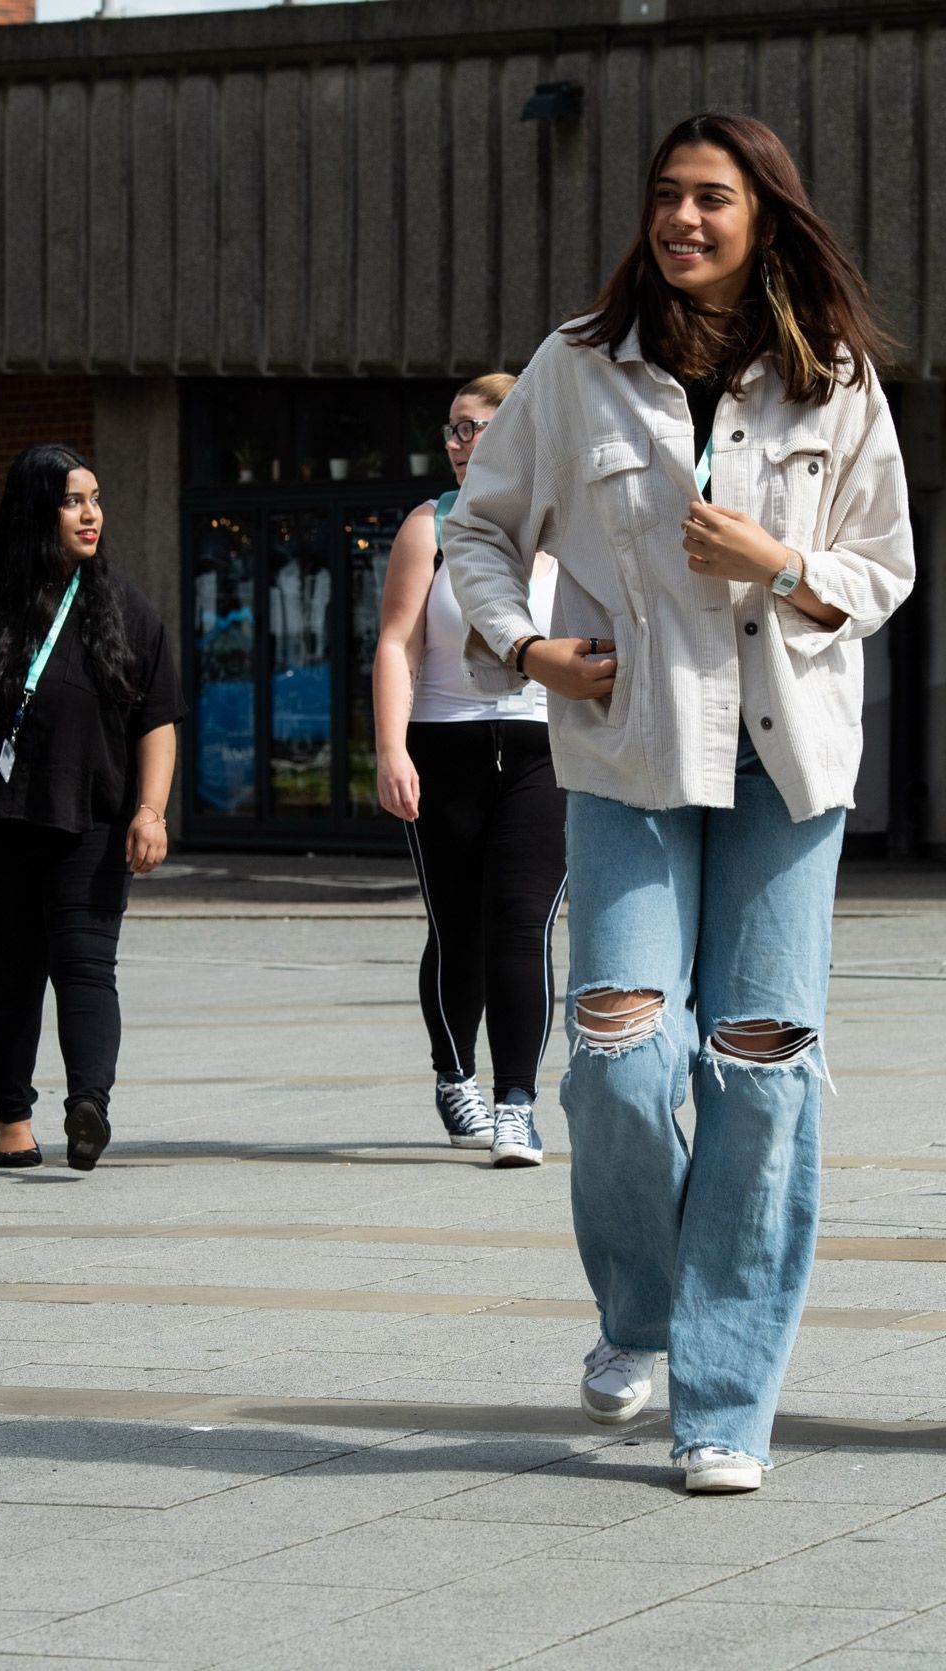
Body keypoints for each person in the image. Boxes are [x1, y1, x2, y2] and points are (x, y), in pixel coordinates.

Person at [443, 112, 913, 1494]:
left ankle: (725, 1395)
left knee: (761, 1076)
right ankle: (637, 1308)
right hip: (631, 751)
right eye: (666, 197)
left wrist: (779, 562)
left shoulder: (833, 380)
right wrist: (523, 649)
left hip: (787, 761)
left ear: (765, 216)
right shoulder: (579, 365)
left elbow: (876, 573)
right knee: (620, 1055)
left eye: (713, 198)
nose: (683, 219)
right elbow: (482, 525)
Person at [0, 443, 183, 1172]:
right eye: (72, 501)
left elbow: (157, 719)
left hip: (92, 818)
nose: (91, 515)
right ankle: (12, 1119)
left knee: (87, 967)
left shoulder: (120, 604)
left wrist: (151, 810)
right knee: (12, 971)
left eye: (95, 499)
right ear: (34, 511)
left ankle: (90, 1106)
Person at [371, 375, 567, 1166]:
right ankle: (456, 1072)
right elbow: (396, 643)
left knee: (524, 922)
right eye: (453, 430)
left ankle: (517, 1099)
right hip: (443, 743)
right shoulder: (431, 526)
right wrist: (390, 750)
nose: (459, 443)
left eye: (476, 427)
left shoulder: (569, 528)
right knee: (459, 926)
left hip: (542, 747)